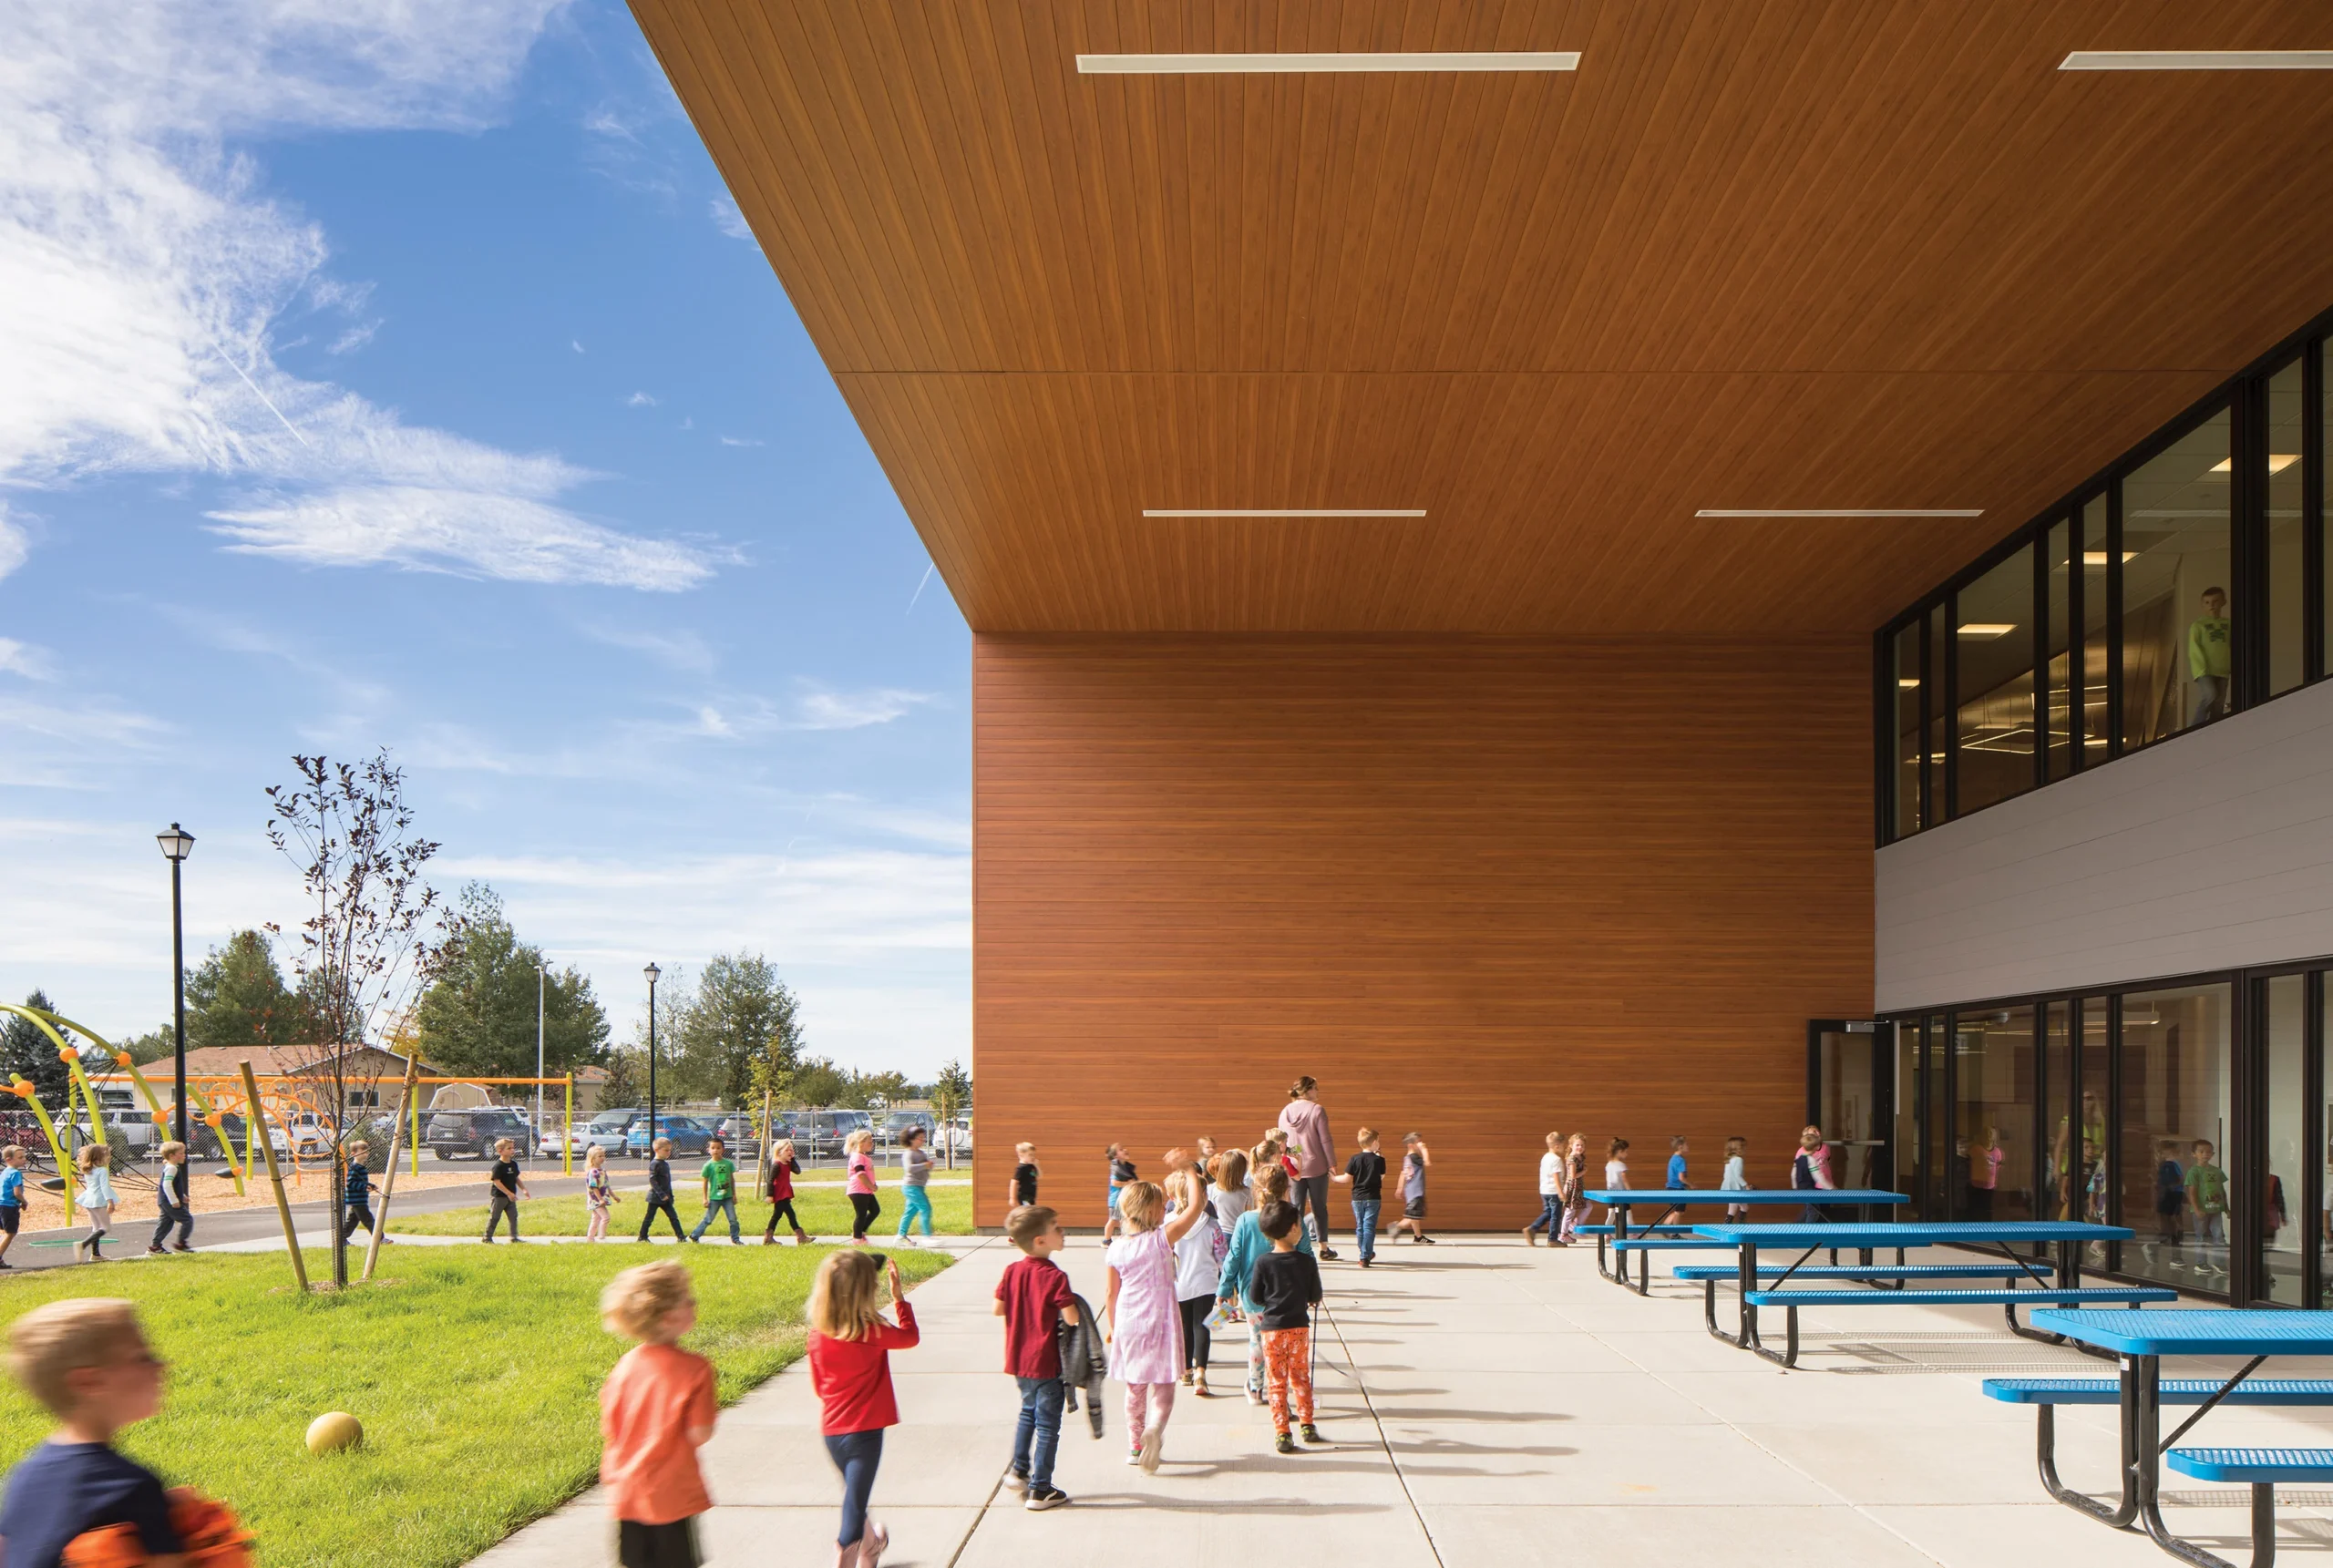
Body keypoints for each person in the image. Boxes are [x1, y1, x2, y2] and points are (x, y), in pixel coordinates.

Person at [0, 1298, 188, 1568]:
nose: (160, 1366)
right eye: (142, 1358)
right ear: (88, 1382)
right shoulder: (131, 1487)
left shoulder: (25, 1475)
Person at [598, 1259, 717, 1568]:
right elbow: (699, 1433)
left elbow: (611, 1426)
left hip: (628, 1489)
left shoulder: (623, 1368)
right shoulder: (695, 1369)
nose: (694, 1304)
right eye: (687, 1300)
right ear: (667, 1317)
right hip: (670, 1493)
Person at [808, 1250, 920, 1568]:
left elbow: (819, 1387)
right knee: (854, 1505)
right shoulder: (872, 1331)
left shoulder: (818, 1335)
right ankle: (849, 1551)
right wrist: (899, 1300)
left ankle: (871, 1546)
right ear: (866, 1291)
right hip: (865, 1434)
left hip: (831, 1431)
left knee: (854, 1499)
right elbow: (910, 1337)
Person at [1105, 1179, 1212, 1472]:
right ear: (1154, 1211)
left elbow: (1111, 1293)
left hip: (1128, 1320)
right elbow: (1195, 1207)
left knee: (1135, 1387)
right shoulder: (1163, 1238)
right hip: (1161, 1319)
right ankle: (1155, 1427)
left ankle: (1134, 1444)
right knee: (1164, 1384)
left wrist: (1114, 1328)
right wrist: (1190, 1170)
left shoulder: (1115, 1248)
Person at [993, 1204, 1076, 1512]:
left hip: (1018, 1360)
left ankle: (1019, 1470)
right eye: (1056, 1227)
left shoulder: (1012, 1271)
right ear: (1041, 1241)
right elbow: (1071, 1318)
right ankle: (1041, 1489)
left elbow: (997, 1308)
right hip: (1046, 1361)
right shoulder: (1055, 1276)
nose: (1062, 1231)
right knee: (1047, 1426)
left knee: (1028, 1412)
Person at [1218, 1165, 1312, 1402]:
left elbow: (1234, 1257)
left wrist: (1224, 1288)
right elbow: (1307, 1253)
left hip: (1253, 1295)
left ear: (1257, 1189)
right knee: (1286, 1344)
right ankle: (1285, 1389)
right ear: (1286, 1189)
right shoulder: (1293, 1218)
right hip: (1288, 1295)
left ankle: (1256, 1387)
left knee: (1257, 1340)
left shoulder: (1245, 1220)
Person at [1248, 1200, 1325, 1454]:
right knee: (1300, 1376)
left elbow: (1256, 1296)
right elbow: (1315, 1295)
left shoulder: (1262, 1263)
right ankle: (1307, 1423)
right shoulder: (1306, 1261)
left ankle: (1282, 1431)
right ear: (1293, 1228)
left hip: (1272, 1330)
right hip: (1299, 1328)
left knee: (1277, 1380)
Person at [1167, 1168, 1221, 1395]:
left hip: (1179, 1284)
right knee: (1203, 1327)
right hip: (1206, 1283)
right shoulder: (1212, 1226)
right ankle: (1201, 1373)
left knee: (1184, 1328)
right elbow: (1222, 1257)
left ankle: (1186, 1370)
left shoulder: (1167, 1224)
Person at [1276, 1076, 1341, 1261]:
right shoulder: (1317, 1110)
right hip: (1317, 1165)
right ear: (1307, 1090)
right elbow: (1325, 1139)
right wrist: (1332, 1163)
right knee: (1319, 1207)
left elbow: (1284, 1142)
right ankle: (1323, 1247)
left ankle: (1293, 1245)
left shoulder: (1285, 1112)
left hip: (1294, 1166)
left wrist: (1294, 1156)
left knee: (1295, 1207)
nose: (1317, 1092)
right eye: (1315, 1088)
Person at [1331, 1127, 1386, 1266]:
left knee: (1360, 1226)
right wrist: (1378, 1158)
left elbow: (1346, 1178)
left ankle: (1364, 1251)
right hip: (1373, 1197)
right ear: (1374, 1143)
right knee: (1369, 1227)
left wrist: (1333, 1178)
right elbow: (1381, 1177)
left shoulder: (1355, 1159)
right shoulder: (1379, 1160)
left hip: (1357, 1198)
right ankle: (1365, 1256)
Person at [2187, 586, 2232, 727]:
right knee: (2210, 695)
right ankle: (2195, 727)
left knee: (2219, 703)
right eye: (2207, 602)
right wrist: (2200, 669)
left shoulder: (2228, 624)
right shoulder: (2198, 625)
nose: (2211, 605)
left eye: (2215, 601)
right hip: (2204, 670)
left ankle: (2215, 729)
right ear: (2202, 605)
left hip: (2223, 669)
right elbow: (2194, 648)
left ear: (2223, 602)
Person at [689, 1137, 742, 1245]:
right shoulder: (708, 1166)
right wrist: (704, 1198)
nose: (715, 1150)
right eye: (713, 1148)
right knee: (708, 1219)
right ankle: (695, 1235)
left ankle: (735, 1238)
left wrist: (734, 1195)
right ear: (708, 1150)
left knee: (733, 1219)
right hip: (714, 1198)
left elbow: (732, 1180)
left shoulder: (728, 1164)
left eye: (718, 1148)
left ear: (723, 1149)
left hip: (727, 1197)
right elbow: (705, 1182)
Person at [2188, 1140, 2229, 1273]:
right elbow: (2192, 1192)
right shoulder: (2193, 1172)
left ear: (2213, 1154)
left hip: (2216, 1210)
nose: (2205, 1154)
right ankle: (2201, 1262)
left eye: (2209, 1152)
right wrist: (2197, 1209)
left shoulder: (2217, 1171)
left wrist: (2227, 1209)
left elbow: (2222, 1191)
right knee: (2201, 1237)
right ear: (2194, 1154)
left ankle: (2219, 1262)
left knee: (2219, 1236)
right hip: (2201, 1211)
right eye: (2201, 1151)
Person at [149, 1141, 194, 1256]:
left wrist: (181, 1196)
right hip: (168, 1201)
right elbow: (167, 1185)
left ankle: (155, 1246)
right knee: (187, 1220)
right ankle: (181, 1244)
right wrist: (174, 1201)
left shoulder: (172, 1167)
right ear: (171, 1156)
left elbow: (173, 1185)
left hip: (164, 1201)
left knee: (165, 1224)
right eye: (181, 1153)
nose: (184, 1155)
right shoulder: (172, 1168)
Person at [765, 1138, 812, 1245]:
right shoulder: (777, 1165)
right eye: (787, 1150)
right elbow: (770, 1180)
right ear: (779, 1152)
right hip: (780, 1193)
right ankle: (800, 1237)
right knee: (788, 1214)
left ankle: (769, 1238)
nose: (790, 1152)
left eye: (791, 1150)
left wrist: (793, 1159)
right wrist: (770, 1195)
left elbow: (797, 1171)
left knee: (779, 1215)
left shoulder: (788, 1164)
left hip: (785, 1192)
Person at [74, 1143, 117, 1264]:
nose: (109, 1158)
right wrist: (110, 1201)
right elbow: (105, 1187)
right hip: (99, 1200)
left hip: (89, 1199)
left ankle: (95, 1254)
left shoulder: (88, 1169)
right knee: (106, 1227)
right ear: (100, 1157)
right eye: (107, 1155)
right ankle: (83, 1244)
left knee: (96, 1227)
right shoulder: (102, 1170)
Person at [638, 1137, 686, 1242]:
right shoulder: (655, 1164)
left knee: (673, 1217)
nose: (669, 1152)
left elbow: (667, 1182)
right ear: (657, 1150)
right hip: (655, 1197)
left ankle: (681, 1237)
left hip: (666, 1197)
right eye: (666, 1150)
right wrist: (661, 1194)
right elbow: (653, 1181)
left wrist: (670, 1195)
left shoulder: (665, 1164)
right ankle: (642, 1236)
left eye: (670, 1150)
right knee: (649, 1218)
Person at [1390, 1133, 1434, 1244]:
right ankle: (1396, 1227)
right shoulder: (1415, 1157)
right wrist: (1424, 1149)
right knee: (1413, 1216)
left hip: (1410, 1191)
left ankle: (1418, 1237)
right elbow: (1427, 1163)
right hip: (1416, 1192)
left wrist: (1400, 1188)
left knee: (1414, 1215)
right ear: (1411, 1145)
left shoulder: (1407, 1158)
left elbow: (1403, 1173)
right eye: (1418, 1142)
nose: (1421, 1144)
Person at [1523, 1131, 1565, 1246]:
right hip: (1553, 1191)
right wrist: (1561, 1192)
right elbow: (1555, 1176)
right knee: (1556, 1216)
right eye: (1563, 1146)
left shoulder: (1546, 1157)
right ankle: (1553, 1239)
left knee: (1548, 1212)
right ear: (1557, 1146)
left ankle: (1533, 1228)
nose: (1564, 1148)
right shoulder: (1556, 1160)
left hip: (1545, 1190)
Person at [483, 1138, 528, 1244]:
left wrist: (524, 1189)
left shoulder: (513, 1164)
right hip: (499, 1197)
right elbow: (497, 1182)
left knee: (513, 1216)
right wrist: (508, 1193)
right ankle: (487, 1237)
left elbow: (516, 1178)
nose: (512, 1150)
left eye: (513, 1148)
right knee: (495, 1217)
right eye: (509, 1148)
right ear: (500, 1151)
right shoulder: (498, 1166)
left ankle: (514, 1237)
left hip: (511, 1197)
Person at [895, 1127, 935, 1245]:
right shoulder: (908, 1153)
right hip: (911, 1187)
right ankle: (926, 1237)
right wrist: (925, 1165)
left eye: (924, 1138)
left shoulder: (921, 1153)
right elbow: (909, 1168)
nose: (923, 1140)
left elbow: (924, 1166)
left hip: (919, 1186)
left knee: (910, 1212)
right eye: (920, 1138)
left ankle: (900, 1236)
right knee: (925, 1208)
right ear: (911, 1139)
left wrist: (929, 1166)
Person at [338, 1139, 380, 1245]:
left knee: (352, 1222)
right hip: (357, 1199)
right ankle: (379, 1238)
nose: (365, 1154)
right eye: (362, 1151)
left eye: (367, 1151)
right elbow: (350, 1183)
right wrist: (363, 1187)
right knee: (368, 1219)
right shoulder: (354, 1167)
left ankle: (341, 1239)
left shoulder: (360, 1167)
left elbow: (361, 1181)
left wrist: (370, 1185)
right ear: (353, 1153)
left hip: (359, 1199)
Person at [845, 1129, 881, 1245]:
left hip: (866, 1190)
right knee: (861, 1214)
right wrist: (871, 1186)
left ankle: (861, 1232)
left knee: (875, 1210)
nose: (872, 1144)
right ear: (861, 1143)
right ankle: (857, 1239)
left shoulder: (863, 1156)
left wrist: (872, 1185)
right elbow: (860, 1174)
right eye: (869, 1142)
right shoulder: (857, 1157)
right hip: (858, 1190)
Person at [1791, 1126, 1833, 1223]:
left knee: (1817, 1209)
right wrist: (1831, 1187)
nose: (1817, 1133)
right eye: (1814, 1132)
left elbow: (1794, 1173)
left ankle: (1805, 1230)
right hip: (1811, 1186)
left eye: (1818, 1131)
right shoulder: (1808, 1158)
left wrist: (1795, 1185)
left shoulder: (1826, 1147)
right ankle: (1805, 1232)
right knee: (1813, 1210)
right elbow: (1817, 1176)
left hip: (1819, 1185)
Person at [1966, 1126, 2004, 1222]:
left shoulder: (1997, 1152)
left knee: (1987, 1209)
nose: (1988, 1136)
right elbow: (1967, 1163)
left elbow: (1998, 1166)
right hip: (1975, 1184)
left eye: (1991, 1133)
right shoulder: (1976, 1149)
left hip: (1989, 1186)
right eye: (1986, 1133)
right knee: (1974, 1209)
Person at [1558, 1132, 1590, 1245]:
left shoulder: (1580, 1157)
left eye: (1582, 1145)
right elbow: (1573, 1175)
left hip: (1579, 1187)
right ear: (1571, 1145)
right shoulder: (1572, 1158)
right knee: (1570, 1211)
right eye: (1577, 1145)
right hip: (1573, 1187)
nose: (1580, 1147)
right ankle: (1563, 1234)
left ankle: (1576, 1224)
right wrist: (1584, 1172)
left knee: (1588, 1206)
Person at [584, 1145, 621, 1242]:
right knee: (605, 1217)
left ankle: (590, 1238)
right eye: (599, 1156)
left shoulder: (602, 1171)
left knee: (596, 1219)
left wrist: (614, 1196)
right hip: (595, 1200)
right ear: (592, 1159)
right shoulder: (593, 1172)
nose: (602, 1158)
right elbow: (594, 1187)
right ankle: (601, 1235)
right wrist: (600, 1199)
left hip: (601, 1199)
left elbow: (607, 1186)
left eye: (603, 1156)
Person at [1100, 1145, 1136, 1241]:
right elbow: (1114, 1183)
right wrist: (1128, 1183)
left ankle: (1125, 1237)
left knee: (1124, 1219)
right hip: (1116, 1200)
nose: (1125, 1150)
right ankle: (1106, 1240)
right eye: (1121, 1149)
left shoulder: (1125, 1168)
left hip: (1123, 1200)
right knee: (1113, 1220)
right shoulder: (1116, 1169)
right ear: (1116, 1156)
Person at [0, 1143, 26, 1269]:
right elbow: (17, 1192)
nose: (24, 1159)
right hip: (9, 1206)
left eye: (24, 1157)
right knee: (10, 1233)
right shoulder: (15, 1173)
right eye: (20, 1157)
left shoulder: (5, 1172)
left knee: (5, 1231)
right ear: (9, 1159)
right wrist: (24, 1202)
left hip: (1, 1204)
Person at [1720, 1135, 1750, 1221]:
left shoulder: (1729, 1159)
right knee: (1742, 1207)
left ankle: (1730, 1224)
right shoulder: (1738, 1159)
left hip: (1729, 1186)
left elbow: (1726, 1175)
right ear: (1739, 1148)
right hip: (1735, 1187)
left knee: (1738, 1207)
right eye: (1744, 1147)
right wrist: (1746, 1185)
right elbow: (1737, 1175)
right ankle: (1739, 1225)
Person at [1008, 1142, 1041, 1214]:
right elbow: (1013, 1183)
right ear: (1021, 1155)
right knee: (1028, 1212)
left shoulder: (1031, 1166)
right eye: (1030, 1155)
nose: (1033, 1157)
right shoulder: (1021, 1168)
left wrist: (1037, 1166)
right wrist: (1012, 1198)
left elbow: (1039, 1176)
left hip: (1031, 1195)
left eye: (1033, 1155)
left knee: (1030, 1212)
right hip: (1024, 1195)